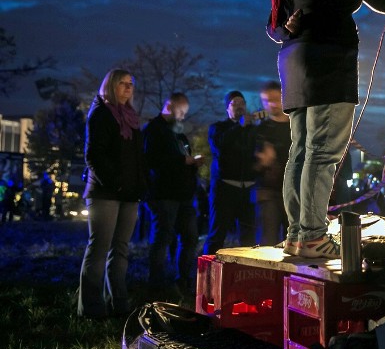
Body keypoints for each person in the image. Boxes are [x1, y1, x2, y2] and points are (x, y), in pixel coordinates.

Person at [269, 0, 385, 258]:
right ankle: (311, 236)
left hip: (295, 61)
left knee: (301, 151)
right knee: (323, 153)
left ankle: (296, 234)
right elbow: (383, 1)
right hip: (329, 60)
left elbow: (279, 20)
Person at [77, 69, 146, 319]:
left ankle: (119, 303)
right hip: (105, 193)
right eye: (122, 84)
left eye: (131, 84)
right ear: (110, 86)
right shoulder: (101, 114)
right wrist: (116, 183)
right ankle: (92, 308)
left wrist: (139, 185)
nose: (128, 88)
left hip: (129, 194)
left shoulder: (132, 117)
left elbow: (137, 157)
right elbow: (94, 155)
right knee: (99, 248)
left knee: (121, 249)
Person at [142, 93, 202, 297]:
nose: (183, 117)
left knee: (190, 238)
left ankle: (183, 280)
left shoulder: (178, 134)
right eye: (181, 112)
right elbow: (152, 161)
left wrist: (192, 165)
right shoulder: (154, 130)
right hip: (163, 193)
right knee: (163, 237)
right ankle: (156, 285)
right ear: (169, 106)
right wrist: (182, 162)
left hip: (184, 194)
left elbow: (182, 158)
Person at [203, 91, 258, 254]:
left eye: (242, 103)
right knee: (217, 235)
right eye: (235, 103)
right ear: (227, 108)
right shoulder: (218, 128)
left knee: (249, 237)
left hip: (248, 190)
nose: (240, 106)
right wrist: (238, 126)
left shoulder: (252, 130)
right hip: (224, 189)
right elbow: (220, 146)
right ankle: (207, 274)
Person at [254, 81, 291, 246]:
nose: (272, 104)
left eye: (276, 99)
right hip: (269, 193)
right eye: (266, 100)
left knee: (294, 241)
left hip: (294, 193)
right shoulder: (260, 129)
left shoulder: (297, 127)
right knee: (268, 240)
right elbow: (251, 165)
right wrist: (262, 162)